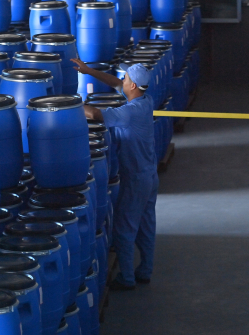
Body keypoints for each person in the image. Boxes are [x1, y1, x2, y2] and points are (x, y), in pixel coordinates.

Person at [72, 58, 160, 290]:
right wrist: (89, 71)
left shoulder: (129, 112)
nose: (123, 80)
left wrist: (68, 104)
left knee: (125, 227)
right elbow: (116, 83)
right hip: (150, 174)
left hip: (136, 178)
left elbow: (95, 115)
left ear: (133, 85)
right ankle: (145, 271)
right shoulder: (145, 99)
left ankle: (127, 278)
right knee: (146, 224)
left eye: (126, 78)